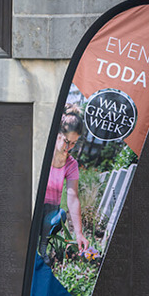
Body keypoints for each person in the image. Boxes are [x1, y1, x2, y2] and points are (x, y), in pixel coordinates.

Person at [38, 106, 89, 264]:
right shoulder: (41, 153)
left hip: (49, 215)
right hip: (33, 209)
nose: (69, 148)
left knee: (60, 215)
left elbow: (72, 197)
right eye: (66, 141)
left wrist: (79, 233)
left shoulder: (71, 165)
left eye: (73, 143)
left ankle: (43, 247)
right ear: (57, 134)